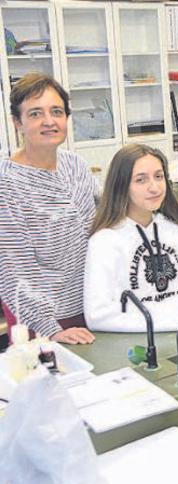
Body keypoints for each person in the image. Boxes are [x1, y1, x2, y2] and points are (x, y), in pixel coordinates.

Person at [0, 73, 98, 344]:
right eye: (35, 114)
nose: (49, 121)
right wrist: (50, 329)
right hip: (42, 321)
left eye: (56, 111)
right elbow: (12, 271)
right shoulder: (7, 185)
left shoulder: (75, 165)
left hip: (91, 306)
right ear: (17, 123)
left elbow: (104, 218)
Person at [84, 144, 178, 333]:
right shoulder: (104, 242)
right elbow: (98, 315)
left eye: (159, 176)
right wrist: (172, 317)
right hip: (135, 346)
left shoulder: (173, 229)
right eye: (141, 180)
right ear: (122, 185)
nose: (154, 187)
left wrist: (175, 306)